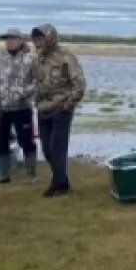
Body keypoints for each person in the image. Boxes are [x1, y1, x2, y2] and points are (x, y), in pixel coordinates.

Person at [31, 24, 86, 197]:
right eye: (36, 40)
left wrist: (68, 104)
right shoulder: (38, 58)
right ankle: (62, 181)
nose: (37, 43)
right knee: (46, 149)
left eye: (41, 39)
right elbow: (37, 82)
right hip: (43, 109)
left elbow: (79, 84)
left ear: (50, 38)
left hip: (61, 108)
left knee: (57, 148)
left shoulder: (66, 56)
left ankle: (58, 185)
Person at [0, 28, 37, 184]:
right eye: (7, 39)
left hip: (22, 107)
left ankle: (31, 174)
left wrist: (24, 92)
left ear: (20, 40)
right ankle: (4, 174)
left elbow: (38, 82)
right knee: (1, 139)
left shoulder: (31, 59)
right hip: (2, 107)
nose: (9, 42)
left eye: (12, 39)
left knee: (26, 140)